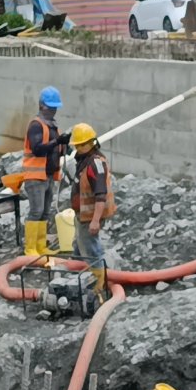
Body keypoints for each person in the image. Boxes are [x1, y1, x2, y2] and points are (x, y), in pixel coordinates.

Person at [22, 86, 69, 258]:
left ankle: (41, 246)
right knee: (36, 211)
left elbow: (56, 148)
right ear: (42, 105)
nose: (53, 110)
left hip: (48, 175)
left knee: (45, 212)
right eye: (51, 107)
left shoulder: (52, 126)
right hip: (35, 176)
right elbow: (38, 149)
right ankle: (30, 248)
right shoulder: (36, 125)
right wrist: (57, 142)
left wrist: (65, 146)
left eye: (55, 107)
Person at [69, 122, 113, 301]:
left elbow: (100, 194)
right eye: (76, 145)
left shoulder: (95, 164)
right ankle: (78, 279)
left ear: (92, 143)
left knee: (92, 252)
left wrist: (95, 220)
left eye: (82, 145)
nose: (78, 148)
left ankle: (98, 288)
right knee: (79, 248)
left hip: (90, 217)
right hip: (82, 216)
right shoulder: (84, 161)